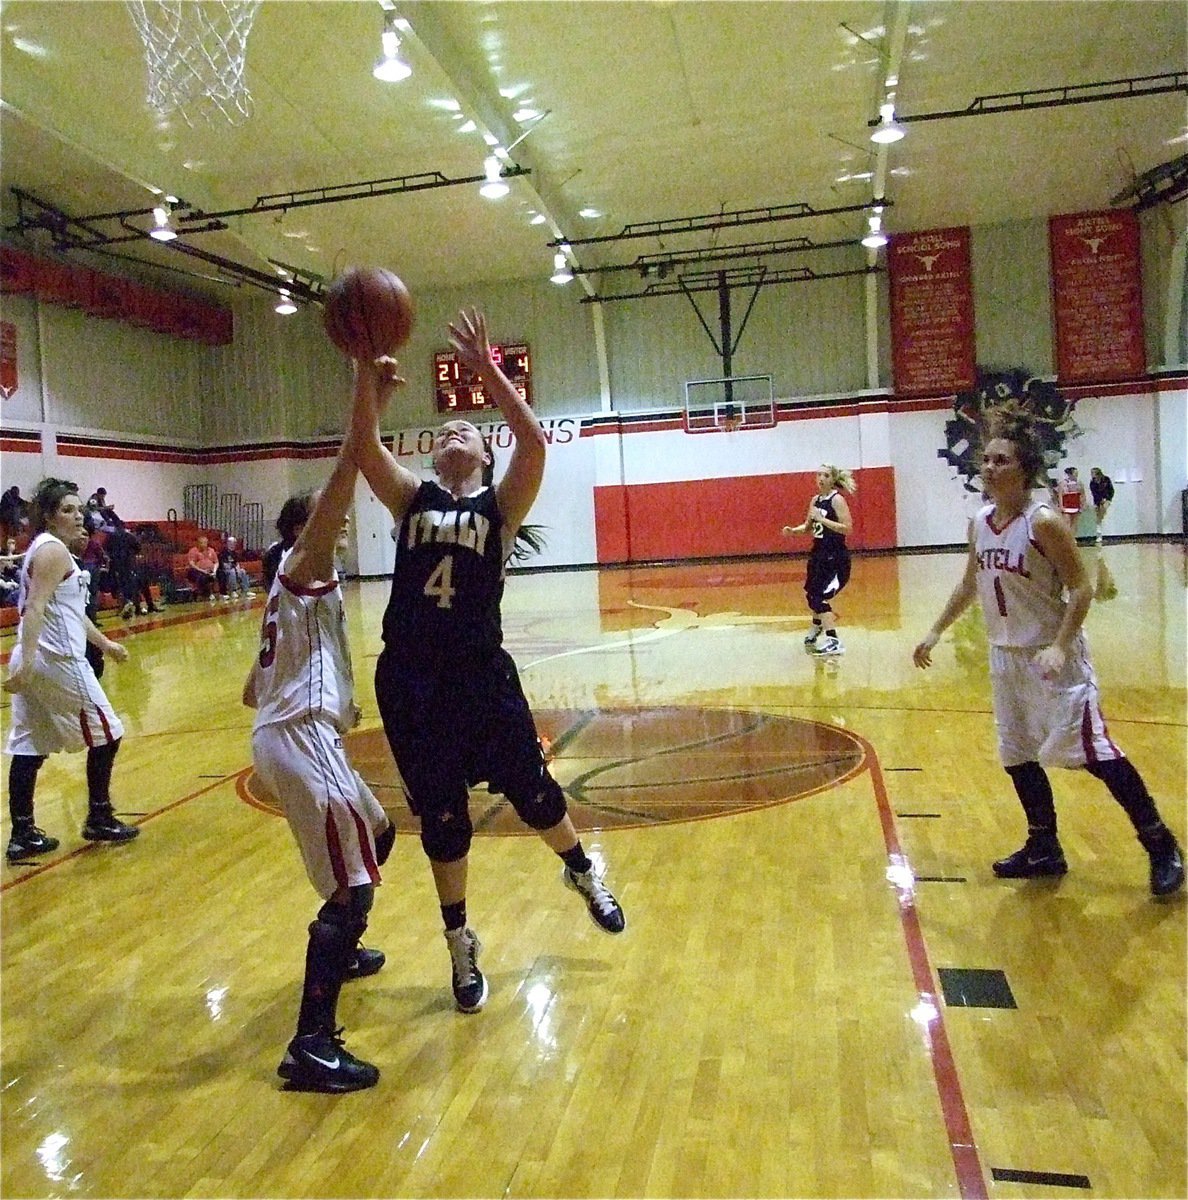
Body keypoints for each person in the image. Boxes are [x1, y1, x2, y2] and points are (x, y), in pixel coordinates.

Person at [348, 309, 625, 1016]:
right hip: (411, 679)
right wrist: (366, 381)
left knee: (533, 793)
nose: (451, 435)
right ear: (432, 457)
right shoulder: (413, 498)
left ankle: (583, 873)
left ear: (482, 452)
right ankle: (459, 942)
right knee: (443, 821)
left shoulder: (501, 510)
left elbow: (533, 440)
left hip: (478, 674)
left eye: (463, 430)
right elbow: (362, 449)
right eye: (442, 433)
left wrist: (485, 372)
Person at [912, 403, 1183, 897]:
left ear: (1024, 470)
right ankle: (1044, 847)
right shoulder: (979, 521)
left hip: (1052, 657)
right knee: (1016, 752)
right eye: (987, 459)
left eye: (1001, 461)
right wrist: (935, 631)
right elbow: (970, 583)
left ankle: (1160, 843)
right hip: (1004, 655)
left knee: (1094, 752)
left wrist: (1061, 645)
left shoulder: (1044, 523)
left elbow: (1081, 589)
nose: (990, 468)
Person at [243, 361, 397, 1093]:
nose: (340, 527)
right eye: (328, 521)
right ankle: (310, 1044)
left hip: (299, 732)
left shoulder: (301, 583)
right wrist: (366, 399)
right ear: (308, 531)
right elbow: (343, 481)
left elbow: (252, 685)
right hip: (302, 739)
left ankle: (346, 949)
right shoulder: (303, 562)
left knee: (381, 832)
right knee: (350, 887)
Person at [2, 478, 141, 862]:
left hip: (42, 658)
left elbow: (72, 613)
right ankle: (99, 816)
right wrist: (29, 662)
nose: (76, 515)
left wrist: (106, 644)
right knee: (109, 733)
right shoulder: (52, 552)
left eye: (78, 509)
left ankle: (23, 833)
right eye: (66, 509)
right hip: (57, 660)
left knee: (29, 745)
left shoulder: (52, 551)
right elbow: (35, 609)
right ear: (47, 516)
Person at [780, 465, 857, 656]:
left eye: (826, 475)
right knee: (811, 595)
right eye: (819, 474)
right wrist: (793, 531)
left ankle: (833, 640)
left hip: (836, 559)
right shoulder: (815, 501)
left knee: (819, 597)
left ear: (833, 479)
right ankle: (817, 627)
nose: (821, 478)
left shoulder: (837, 500)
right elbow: (808, 527)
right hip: (818, 556)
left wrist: (823, 520)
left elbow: (847, 528)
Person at [186, 534, 221, 603]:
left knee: (222, 573)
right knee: (203, 576)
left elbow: (216, 562)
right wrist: (203, 571)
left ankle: (223, 593)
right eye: (202, 543)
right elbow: (192, 564)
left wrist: (214, 571)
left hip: (211, 570)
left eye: (205, 543)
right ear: (198, 543)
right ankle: (206, 594)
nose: (204, 544)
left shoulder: (211, 550)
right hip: (197, 570)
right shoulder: (193, 551)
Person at [217, 536, 254, 600]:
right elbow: (224, 565)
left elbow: (236, 563)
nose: (232, 545)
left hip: (232, 568)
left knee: (243, 571)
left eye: (234, 544)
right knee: (232, 572)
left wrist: (238, 569)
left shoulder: (234, 553)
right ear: (227, 544)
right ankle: (233, 591)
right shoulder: (223, 553)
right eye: (231, 543)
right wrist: (234, 569)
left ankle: (246, 590)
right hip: (224, 570)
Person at [1054, 465, 1084, 535]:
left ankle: (1073, 538)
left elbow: (1082, 494)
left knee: (1074, 523)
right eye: (1075, 473)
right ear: (1070, 474)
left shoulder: (1079, 483)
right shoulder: (1063, 483)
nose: (1076, 474)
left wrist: (1082, 504)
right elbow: (1060, 495)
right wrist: (1061, 506)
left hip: (1076, 504)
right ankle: (1067, 538)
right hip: (1066, 505)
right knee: (1067, 522)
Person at [1089, 467, 1114, 546]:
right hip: (1097, 500)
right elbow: (1094, 493)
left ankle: (1099, 532)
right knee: (1098, 515)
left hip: (1106, 499)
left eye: (1093, 473)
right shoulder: (1092, 482)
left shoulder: (1106, 479)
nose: (1091, 474)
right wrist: (1099, 500)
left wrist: (1107, 498)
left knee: (1102, 512)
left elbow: (1111, 490)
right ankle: (1099, 533)